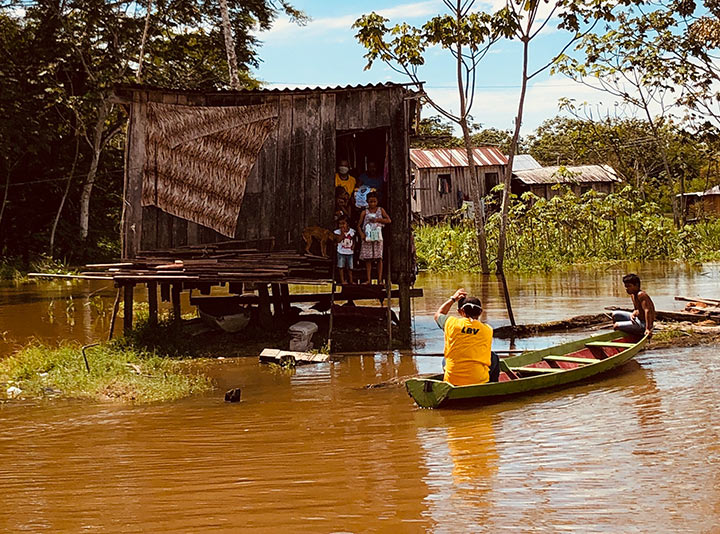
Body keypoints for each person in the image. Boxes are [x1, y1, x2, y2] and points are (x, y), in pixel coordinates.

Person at [434, 288, 497, 386]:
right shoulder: (488, 329)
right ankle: (492, 386)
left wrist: (453, 299)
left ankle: (454, 380)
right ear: (480, 312)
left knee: (445, 359)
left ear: (461, 311)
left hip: (452, 381)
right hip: (479, 380)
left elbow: (438, 314)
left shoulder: (451, 323)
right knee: (493, 357)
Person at [358, 191, 390, 284]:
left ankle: (379, 280)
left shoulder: (381, 210)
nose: (372, 204)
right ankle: (369, 279)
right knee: (368, 259)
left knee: (379, 258)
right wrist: (361, 234)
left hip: (377, 236)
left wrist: (378, 220)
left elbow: (388, 220)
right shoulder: (364, 212)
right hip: (367, 237)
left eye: (374, 201)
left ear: (377, 201)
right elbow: (359, 225)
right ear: (367, 202)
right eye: (370, 201)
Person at [612, 273, 655, 337]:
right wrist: (633, 314)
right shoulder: (633, 295)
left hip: (643, 324)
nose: (627, 289)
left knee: (616, 325)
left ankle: (634, 334)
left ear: (636, 285)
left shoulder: (641, 295)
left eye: (629, 286)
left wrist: (648, 329)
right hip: (637, 319)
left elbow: (648, 311)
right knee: (614, 314)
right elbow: (637, 309)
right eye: (626, 287)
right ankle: (626, 332)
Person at [333, 216, 355, 285]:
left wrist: (353, 246)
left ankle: (351, 280)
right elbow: (338, 240)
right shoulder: (337, 232)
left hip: (350, 252)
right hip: (341, 252)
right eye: (340, 224)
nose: (341, 226)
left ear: (347, 224)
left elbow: (354, 240)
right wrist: (342, 233)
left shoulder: (352, 231)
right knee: (341, 266)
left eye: (343, 223)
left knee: (350, 267)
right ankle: (342, 280)